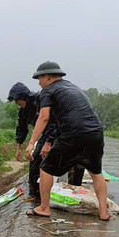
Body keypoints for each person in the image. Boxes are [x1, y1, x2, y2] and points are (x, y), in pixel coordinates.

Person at [25, 61, 109, 221]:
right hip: (96, 132)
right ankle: (103, 213)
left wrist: (31, 143)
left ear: (47, 76)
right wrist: (49, 141)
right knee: (96, 172)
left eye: (39, 78)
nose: (39, 82)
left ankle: (44, 208)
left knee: (45, 168)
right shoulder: (73, 88)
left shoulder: (48, 91)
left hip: (74, 133)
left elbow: (44, 117)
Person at [7, 82, 58, 199]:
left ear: (23, 97)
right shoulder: (23, 110)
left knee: (42, 158)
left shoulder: (40, 100)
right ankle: (34, 192)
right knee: (36, 159)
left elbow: (52, 120)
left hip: (56, 130)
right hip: (44, 134)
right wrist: (18, 148)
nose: (16, 103)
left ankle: (39, 193)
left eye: (17, 100)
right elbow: (21, 129)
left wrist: (48, 142)